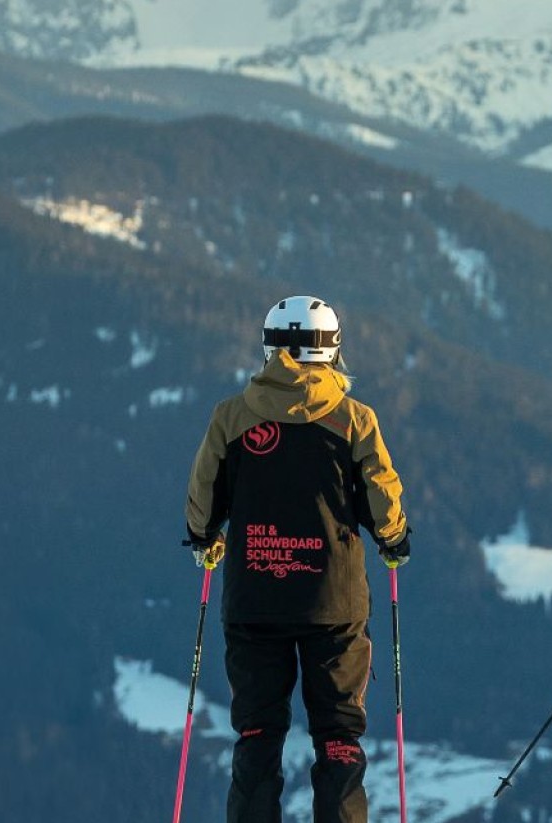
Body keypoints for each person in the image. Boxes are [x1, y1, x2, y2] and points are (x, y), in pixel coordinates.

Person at [183, 295, 411, 823]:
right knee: (337, 735)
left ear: (268, 348)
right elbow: (382, 498)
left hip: (253, 599)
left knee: (258, 733)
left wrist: (204, 537)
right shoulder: (354, 419)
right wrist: (393, 540)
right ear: (333, 351)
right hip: (333, 604)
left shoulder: (232, 417)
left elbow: (202, 498)